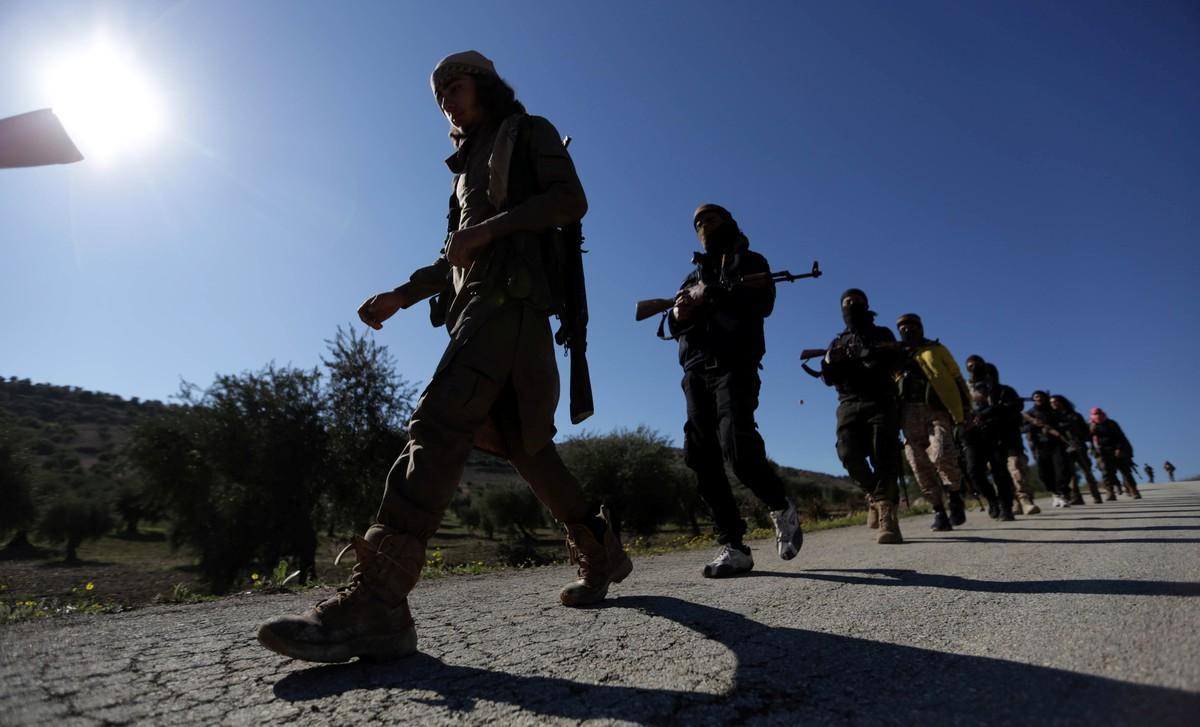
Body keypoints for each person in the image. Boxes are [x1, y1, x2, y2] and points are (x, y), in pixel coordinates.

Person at [257, 51, 632, 663]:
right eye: (439, 98)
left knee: (438, 422)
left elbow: (570, 200)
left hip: (510, 305)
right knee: (529, 450)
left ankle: (379, 599)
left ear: (483, 85)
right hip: (482, 309)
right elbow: (452, 258)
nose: (446, 104)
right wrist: (403, 295)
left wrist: (488, 231)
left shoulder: (526, 133)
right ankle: (603, 550)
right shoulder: (464, 173)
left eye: (454, 89)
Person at [660, 203, 803, 577]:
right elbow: (670, 325)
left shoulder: (750, 261)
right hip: (694, 372)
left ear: (729, 223)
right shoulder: (691, 275)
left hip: (734, 365)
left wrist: (716, 295)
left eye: (711, 218)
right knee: (699, 455)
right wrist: (680, 311)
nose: (704, 225)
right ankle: (734, 546)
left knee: (736, 446)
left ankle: (780, 506)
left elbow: (764, 304)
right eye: (698, 222)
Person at [815, 289, 908, 543]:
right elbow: (828, 379)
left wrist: (873, 354)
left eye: (857, 301)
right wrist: (828, 362)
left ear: (867, 306)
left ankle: (888, 515)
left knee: (884, 453)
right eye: (847, 302)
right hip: (848, 403)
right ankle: (876, 497)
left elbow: (898, 361)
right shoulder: (838, 341)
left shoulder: (882, 334)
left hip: (881, 400)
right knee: (847, 453)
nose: (852, 305)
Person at [893, 314, 971, 530]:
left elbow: (956, 376)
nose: (907, 329)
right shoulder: (897, 354)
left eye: (911, 325)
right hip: (908, 413)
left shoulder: (936, 349)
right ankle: (938, 510)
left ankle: (955, 495)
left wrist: (966, 407)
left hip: (937, 409)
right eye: (902, 326)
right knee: (918, 463)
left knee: (943, 453)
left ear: (920, 328)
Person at [965, 357, 1040, 515]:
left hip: (1006, 436)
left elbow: (1015, 407)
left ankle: (1023, 500)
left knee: (1014, 468)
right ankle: (1007, 501)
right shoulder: (968, 390)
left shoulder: (1005, 391)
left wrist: (993, 411)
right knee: (983, 471)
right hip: (978, 435)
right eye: (971, 367)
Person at [961, 357, 1019, 520]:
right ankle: (992, 501)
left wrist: (989, 412)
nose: (974, 369)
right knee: (974, 471)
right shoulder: (965, 388)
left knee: (999, 471)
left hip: (996, 433)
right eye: (970, 366)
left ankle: (1006, 506)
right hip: (972, 435)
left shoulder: (1002, 390)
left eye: (977, 366)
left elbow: (1014, 407)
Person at [1050, 394, 1103, 504]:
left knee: (1087, 470)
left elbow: (1085, 431)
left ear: (1062, 402)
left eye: (1056, 401)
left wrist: (1082, 441)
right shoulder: (1052, 417)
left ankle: (1096, 496)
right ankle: (1076, 497)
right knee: (1070, 473)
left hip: (1078, 445)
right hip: (1064, 447)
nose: (1053, 404)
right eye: (1051, 402)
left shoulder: (1075, 415)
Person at [1024, 391, 1074, 508]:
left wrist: (1054, 429)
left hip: (1057, 445)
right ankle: (1055, 493)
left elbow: (1066, 423)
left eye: (1041, 397)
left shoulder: (1054, 411)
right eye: (1036, 397)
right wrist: (1034, 426)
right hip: (1040, 446)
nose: (1039, 399)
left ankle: (1063, 494)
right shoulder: (1029, 413)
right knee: (1044, 473)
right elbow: (1022, 428)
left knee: (1061, 470)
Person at [1091, 407, 1140, 499]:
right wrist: (1091, 431)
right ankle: (1110, 492)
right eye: (1095, 414)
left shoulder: (1111, 423)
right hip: (1102, 452)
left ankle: (1133, 490)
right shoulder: (1091, 425)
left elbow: (1120, 437)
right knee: (1107, 473)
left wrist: (1119, 449)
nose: (1098, 416)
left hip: (1116, 450)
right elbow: (1087, 438)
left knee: (1125, 471)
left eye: (1099, 414)